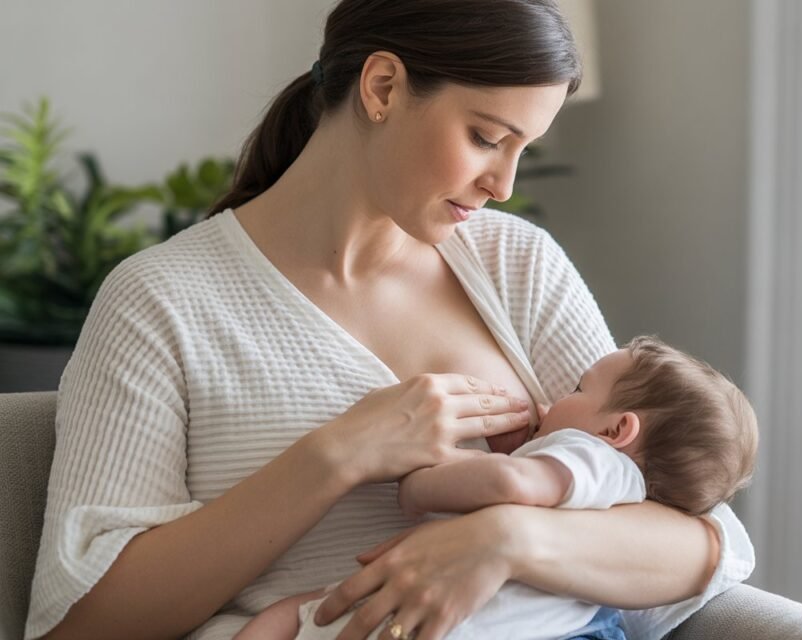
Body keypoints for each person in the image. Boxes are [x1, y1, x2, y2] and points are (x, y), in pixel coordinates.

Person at [25, 1, 755, 639]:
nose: (502, 185)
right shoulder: (160, 301)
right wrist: (337, 457)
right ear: (382, 88)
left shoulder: (515, 265)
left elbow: (707, 542)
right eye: (486, 137)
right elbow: (82, 623)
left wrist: (507, 536)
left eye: (521, 151)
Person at [234, 335, 758, 640]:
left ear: (617, 431)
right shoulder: (613, 485)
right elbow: (529, 483)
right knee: (294, 613)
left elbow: (513, 482)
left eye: (578, 389)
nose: (555, 398)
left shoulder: (598, 460)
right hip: (487, 618)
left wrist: (424, 477)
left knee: (290, 617)